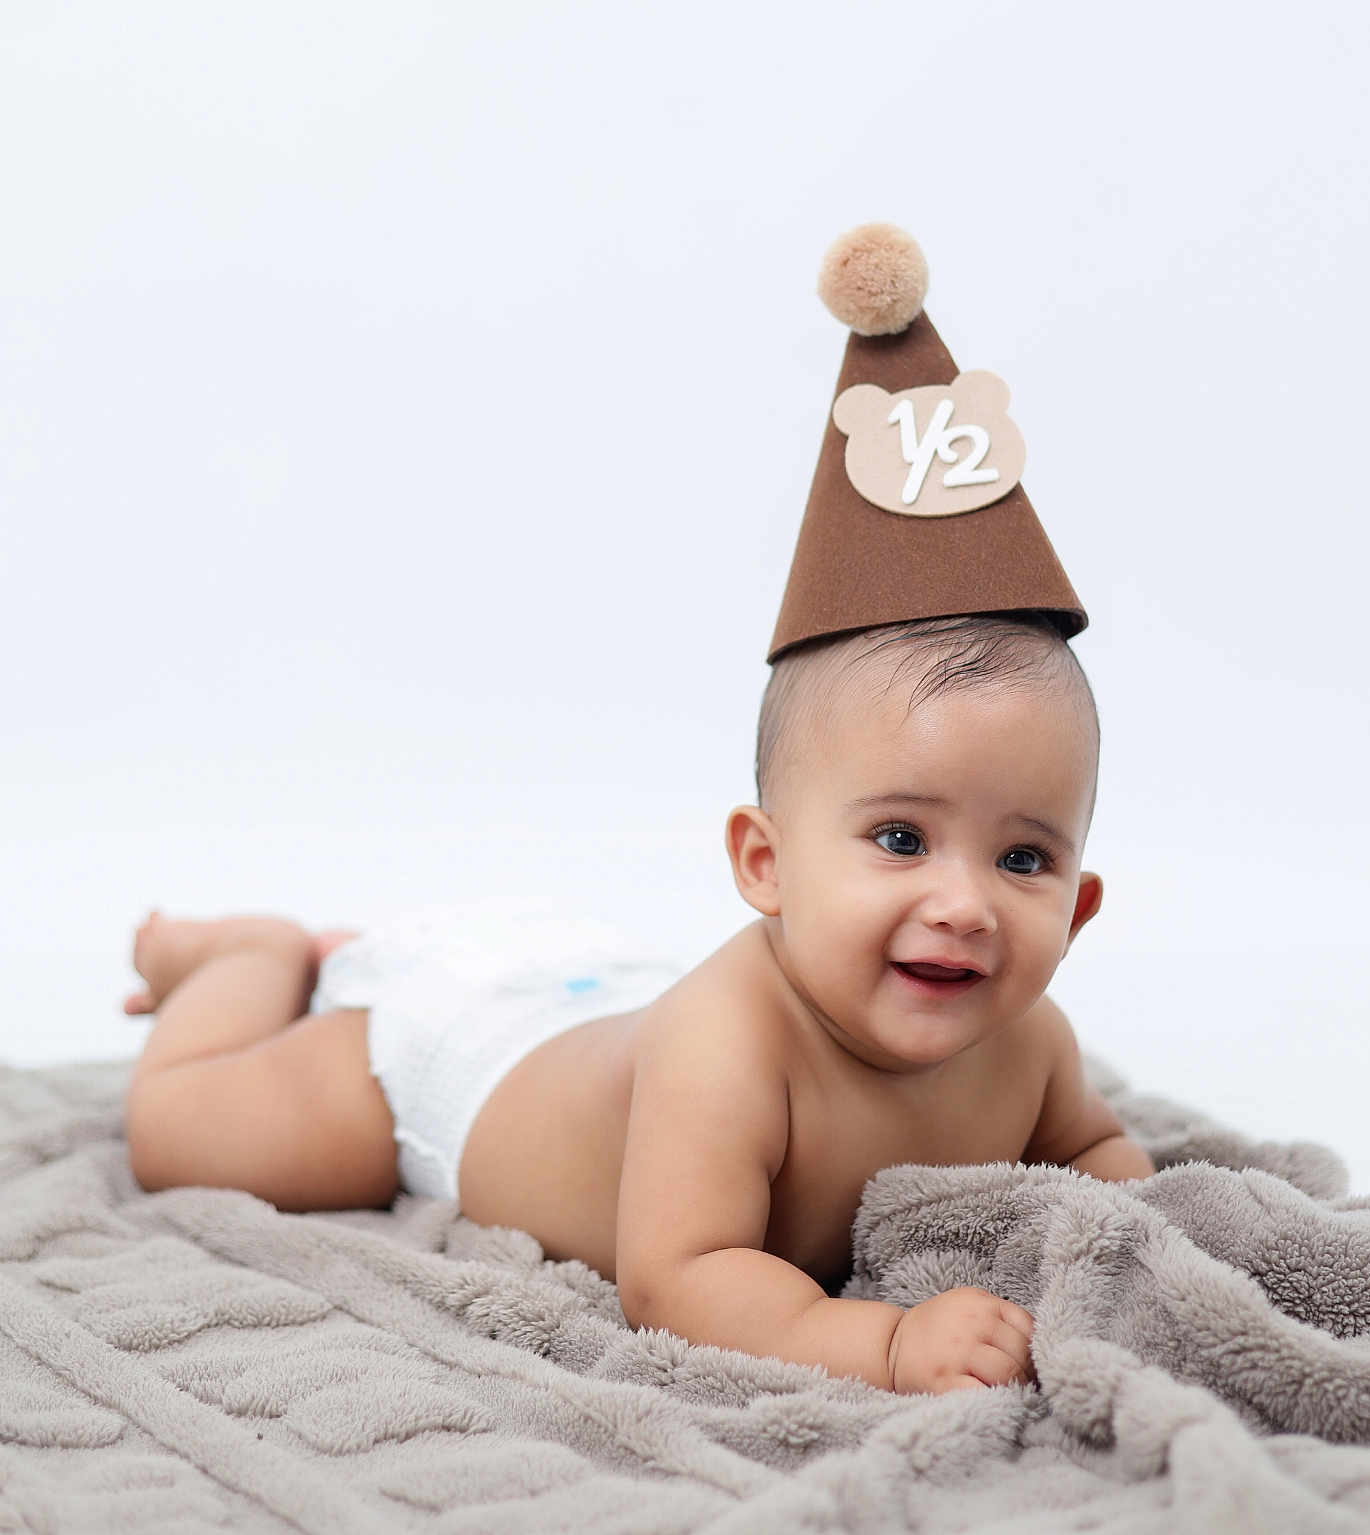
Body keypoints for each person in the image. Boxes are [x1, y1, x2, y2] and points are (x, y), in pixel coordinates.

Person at [120, 225, 1156, 1398]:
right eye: (900, 838)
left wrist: (1125, 1247)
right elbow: (679, 1274)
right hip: (462, 1057)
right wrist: (879, 1341)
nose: (961, 902)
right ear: (763, 863)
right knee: (178, 1133)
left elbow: (1096, 1161)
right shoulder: (726, 1048)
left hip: (596, 992)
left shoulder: (1030, 1047)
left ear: (1076, 907)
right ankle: (237, 958)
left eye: (1021, 856)